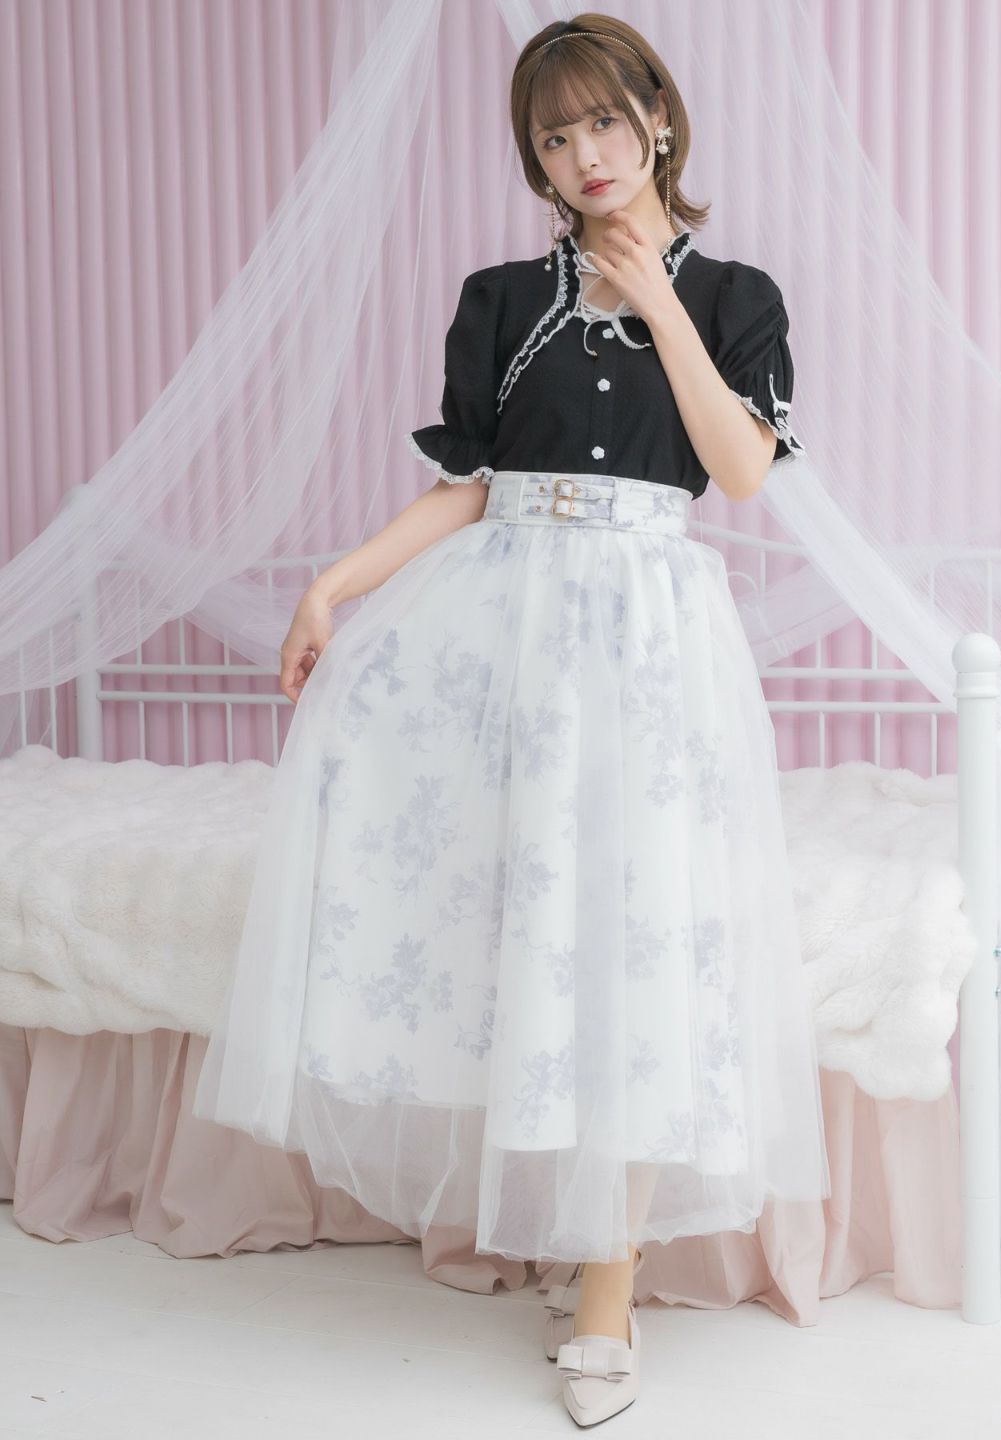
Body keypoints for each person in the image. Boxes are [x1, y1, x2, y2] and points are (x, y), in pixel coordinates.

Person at [192, 13, 830, 1427]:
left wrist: (655, 294)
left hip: (650, 640)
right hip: (512, 635)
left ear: (658, 119)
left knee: (636, 933)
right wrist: (334, 585)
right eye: (553, 135)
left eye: (603, 121)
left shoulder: (738, 297)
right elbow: (472, 484)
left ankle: (609, 1284)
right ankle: (571, 1230)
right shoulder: (498, 299)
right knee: (536, 925)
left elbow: (739, 473)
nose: (583, 154)